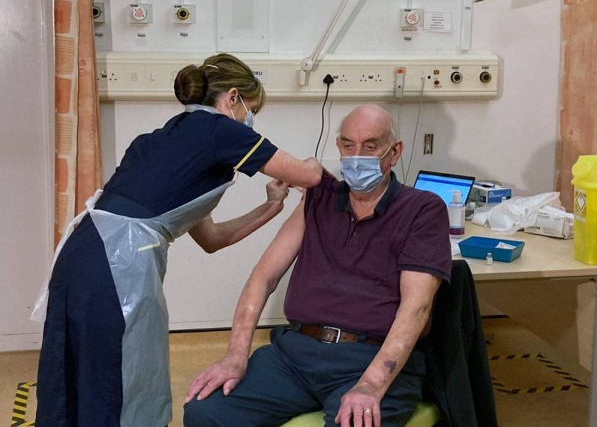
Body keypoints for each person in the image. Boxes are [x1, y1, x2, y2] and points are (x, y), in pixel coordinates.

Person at [33, 53, 323, 427]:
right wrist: (318, 163)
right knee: (121, 382)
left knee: (72, 378)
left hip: (82, 254)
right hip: (117, 265)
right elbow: (307, 175)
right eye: (252, 109)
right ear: (233, 98)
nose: (251, 120)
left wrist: (270, 207)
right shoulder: (221, 130)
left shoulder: (163, 143)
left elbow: (213, 238)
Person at [183, 104, 453, 427]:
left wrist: (371, 385)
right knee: (204, 413)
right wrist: (235, 356)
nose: (357, 156)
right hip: (295, 355)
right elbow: (263, 278)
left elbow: (416, 308)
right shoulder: (318, 198)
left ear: (394, 153)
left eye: (370, 146)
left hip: (368, 357)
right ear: (338, 147)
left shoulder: (422, 209)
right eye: (349, 145)